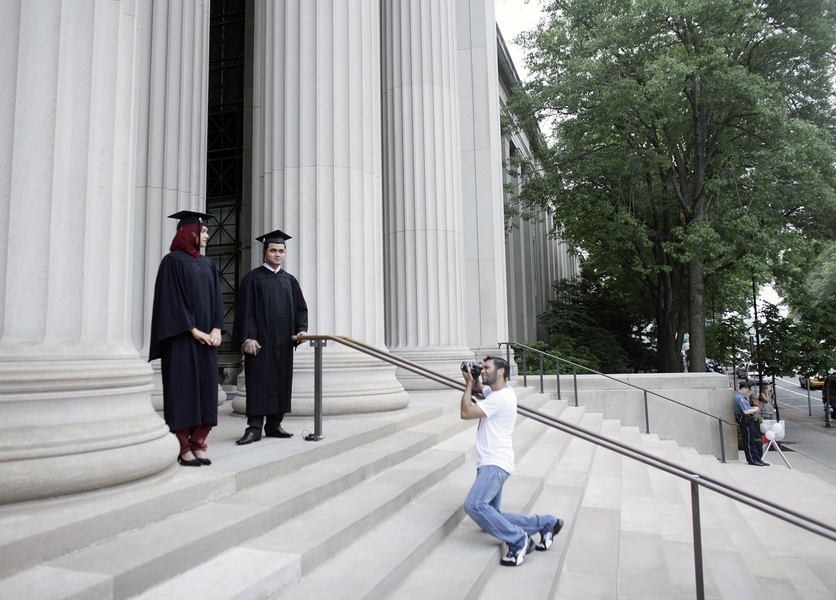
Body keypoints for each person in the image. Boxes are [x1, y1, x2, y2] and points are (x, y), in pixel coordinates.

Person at [460, 356, 564, 567]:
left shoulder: (500, 399)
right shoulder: (499, 392)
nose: (484, 371)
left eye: (487, 368)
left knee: (474, 505)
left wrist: (469, 384)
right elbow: (482, 389)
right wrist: (471, 378)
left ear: (501, 372)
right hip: (493, 462)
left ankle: (519, 540)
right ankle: (546, 524)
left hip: (495, 464)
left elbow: (466, 412)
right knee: (493, 515)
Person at [149, 211, 225, 467]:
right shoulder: (172, 262)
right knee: (183, 392)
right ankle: (182, 446)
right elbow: (170, 301)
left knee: (206, 392)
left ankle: (198, 442)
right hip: (183, 340)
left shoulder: (209, 264)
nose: (207, 235)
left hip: (207, 341)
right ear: (189, 233)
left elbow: (217, 299)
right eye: (203, 232)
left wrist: (217, 328)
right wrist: (192, 330)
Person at [232, 229, 308, 445]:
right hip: (260, 343)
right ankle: (254, 428)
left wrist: (301, 329)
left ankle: (274, 425)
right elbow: (245, 311)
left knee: (281, 382)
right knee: (259, 384)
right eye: (273, 250)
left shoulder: (290, 281)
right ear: (265, 252)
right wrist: (248, 338)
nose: (278, 254)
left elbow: (302, 309)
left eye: (281, 251)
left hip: (283, 343)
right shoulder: (252, 279)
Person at [733, 382, 768, 467]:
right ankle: (752, 459)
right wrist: (755, 409)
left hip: (748, 421)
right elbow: (745, 411)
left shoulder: (740, 397)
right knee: (749, 442)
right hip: (745, 421)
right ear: (744, 388)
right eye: (748, 389)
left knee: (751, 441)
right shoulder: (739, 397)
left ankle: (757, 459)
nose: (748, 392)